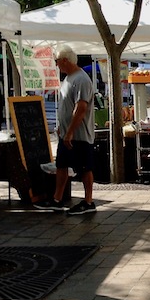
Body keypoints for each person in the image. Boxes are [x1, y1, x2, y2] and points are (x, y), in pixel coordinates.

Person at [34, 44, 96, 215]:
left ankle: (88, 201)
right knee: (61, 165)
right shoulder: (68, 78)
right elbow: (67, 106)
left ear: (66, 60)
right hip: (67, 133)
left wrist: (70, 132)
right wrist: (63, 128)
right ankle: (57, 199)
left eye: (58, 61)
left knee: (84, 168)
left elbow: (81, 108)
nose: (56, 65)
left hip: (79, 135)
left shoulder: (81, 80)